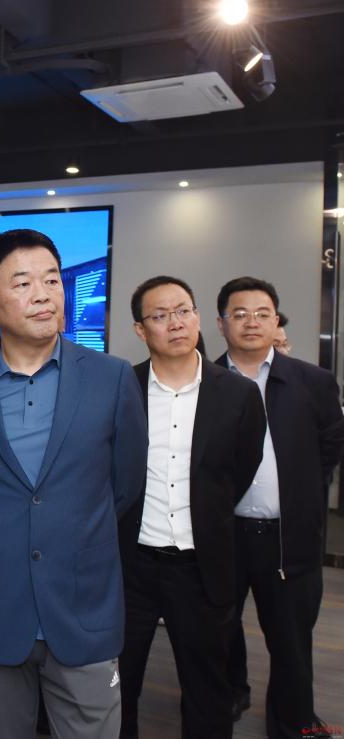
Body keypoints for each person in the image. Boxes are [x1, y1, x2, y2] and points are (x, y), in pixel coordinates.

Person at [0, 228, 147, 738]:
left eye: (52, 280)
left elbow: (124, 484)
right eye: (23, 283)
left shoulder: (112, 379)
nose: (43, 294)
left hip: (84, 606)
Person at [117, 276, 265, 738]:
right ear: (141, 329)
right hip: (130, 567)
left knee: (207, 693)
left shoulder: (238, 394)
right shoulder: (122, 388)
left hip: (202, 568)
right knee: (117, 687)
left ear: (198, 317)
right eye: (160, 316)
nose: (175, 323)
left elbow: (239, 471)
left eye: (183, 310)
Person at [215, 277, 344, 738]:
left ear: (276, 321)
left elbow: (330, 446)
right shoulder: (202, 381)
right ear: (222, 324)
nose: (251, 322)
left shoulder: (313, 381)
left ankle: (291, 726)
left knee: (291, 645)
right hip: (223, 537)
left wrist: (300, 491)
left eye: (262, 313)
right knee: (217, 633)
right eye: (239, 314)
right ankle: (230, 696)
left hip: (288, 541)